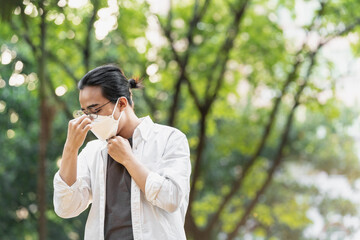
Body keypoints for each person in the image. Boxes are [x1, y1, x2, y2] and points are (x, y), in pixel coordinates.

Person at [53, 65, 191, 240]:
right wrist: (70, 149)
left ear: (122, 103)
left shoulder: (169, 139)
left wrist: (128, 159)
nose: (90, 119)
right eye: (85, 112)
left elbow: (171, 198)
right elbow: (66, 208)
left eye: (95, 110)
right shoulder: (93, 152)